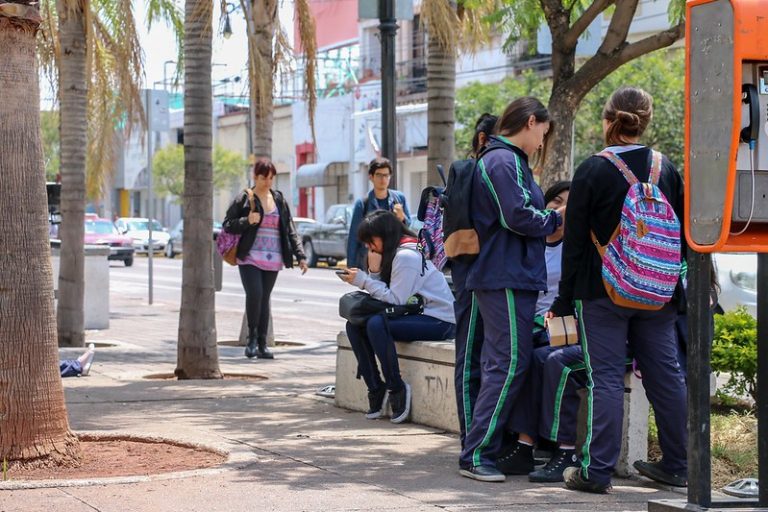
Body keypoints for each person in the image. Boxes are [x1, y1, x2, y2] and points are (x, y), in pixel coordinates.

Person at [549, 86, 687, 493]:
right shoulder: (667, 169)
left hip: (602, 292)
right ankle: (680, 465)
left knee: (604, 378)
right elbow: (680, 235)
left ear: (608, 121)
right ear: (645, 120)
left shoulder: (592, 170)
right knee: (666, 376)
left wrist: (562, 300)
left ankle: (597, 473)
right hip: (658, 292)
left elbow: (574, 245)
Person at [458, 97, 564, 482]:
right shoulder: (502, 161)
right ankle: (477, 454)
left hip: (509, 276)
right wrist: (556, 217)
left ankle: (481, 449)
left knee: (503, 364)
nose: (541, 142)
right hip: (503, 276)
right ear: (531, 122)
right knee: (507, 364)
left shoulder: (504, 160)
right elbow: (517, 215)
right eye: (542, 133)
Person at [340, 210, 455, 424]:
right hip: (415, 313)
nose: (369, 247)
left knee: (375, 324)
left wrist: (365, 280)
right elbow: (387, 295)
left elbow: (395, 299)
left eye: (370, 241)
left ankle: (396, 387)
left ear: (384, 235)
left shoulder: (406, 256)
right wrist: (373, 272)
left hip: (439, 320)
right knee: (354, 325)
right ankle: (375, 388)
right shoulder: (394, 252)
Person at [495, 181, 575, 479]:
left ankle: (529, 444)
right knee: (509, 353)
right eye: (557, 202)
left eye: (570, 204)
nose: (562, 210)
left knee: (536, 357)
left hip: (560, 327)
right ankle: (516, 444)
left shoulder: (576, 247)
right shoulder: (531, 241)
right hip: (529, 323)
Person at [223, 158, 309, 360]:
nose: (268, 182)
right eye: (264, 178)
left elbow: (290, 229)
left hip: (273, 258)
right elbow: (227, 224)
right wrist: (246, 220)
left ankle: (262, 344)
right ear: (255, 176)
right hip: (250, 257)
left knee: (264, 299)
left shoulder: (278, 199)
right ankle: (251, 340)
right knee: (255, 294)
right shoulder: (245, 198)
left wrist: (301, 256)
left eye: (271, 178)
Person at [453, 113, 497, 450]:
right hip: (472, 279)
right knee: (470, 362)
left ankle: (486, 437)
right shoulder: (469, 172)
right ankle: (471, 439)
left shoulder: (507, 169)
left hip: (498, 282)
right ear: (482, 139)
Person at [346, 157, 411, 270]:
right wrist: (351, 266)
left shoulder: (399, 199)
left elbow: (408, 228)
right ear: (371, 177)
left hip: (394, 258)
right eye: (379, 175)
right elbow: (354, 236)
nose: (383, 179)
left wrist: (402, 218)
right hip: (370, 259)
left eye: (386, 175)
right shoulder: (363, 203)